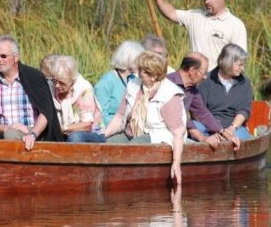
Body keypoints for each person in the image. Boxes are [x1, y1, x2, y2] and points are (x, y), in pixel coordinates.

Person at [104, 51, 186, 185]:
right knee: (105, 145)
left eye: (142, 70)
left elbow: (178, 133)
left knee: (133, 146)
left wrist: (176, 163)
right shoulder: (133, 85)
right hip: (131, 132)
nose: (138, 72)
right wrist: (104, 136)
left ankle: (122, 181)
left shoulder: (169, 95)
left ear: (153, 76)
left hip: (158, 135)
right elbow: (119, 116)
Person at [142, 0, 247, 72]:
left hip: (219, 81)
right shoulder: (195, 16)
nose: (207, 2)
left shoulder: (235, 25)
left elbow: (239, 59)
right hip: (194, 79)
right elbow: (171, 13)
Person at [166, 52, 240, 150]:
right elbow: (178, 116)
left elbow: (202, 112)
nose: (205, 77)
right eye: (203, 73)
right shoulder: (168, 83)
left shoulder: (192, 89)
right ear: (192, 70)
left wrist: (224, 133)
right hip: (164, 134)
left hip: (178, 134)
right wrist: (202, 137)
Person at [198, 44, 253, 143]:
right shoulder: (206, 80)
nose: (243, 68)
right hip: (208, 126)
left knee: (239, 137)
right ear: (228, 62)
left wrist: (231, 129)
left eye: (243, 65)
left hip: (235, 127)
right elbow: (199, 110)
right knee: (194, 127)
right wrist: (216, 130)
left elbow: (243, 111)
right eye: (240, 65)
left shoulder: (245, 83)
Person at [48, 55, 105, 143]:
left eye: (62, 83)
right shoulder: (50, 86)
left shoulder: (84, 89)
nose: (57, 86)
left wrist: (64, 128)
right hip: (62, 131)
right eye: (54, 81)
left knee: (74, 136)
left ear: (72, 80)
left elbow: (87, 125)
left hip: (92, 133)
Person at [94, 41, 144, 127]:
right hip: (110, 129)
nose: (142, 64)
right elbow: (101, 116)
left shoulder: (134, 79)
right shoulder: (106, 82)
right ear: (129, 59)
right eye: (139, 60)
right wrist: (123, 124)